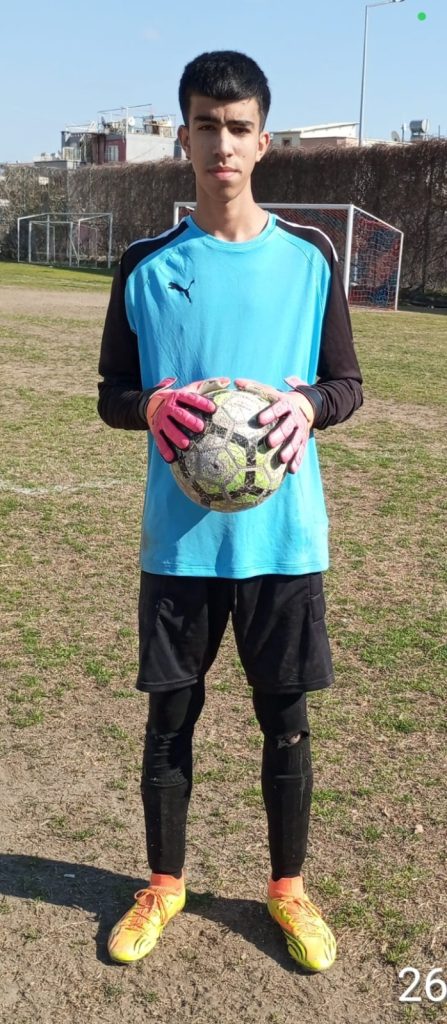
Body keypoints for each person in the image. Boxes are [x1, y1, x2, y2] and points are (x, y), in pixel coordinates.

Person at [97, 49, 363, 973]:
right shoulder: (144, 265)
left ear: (262, 141)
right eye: (206, 125)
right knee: (169, 719)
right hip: (179, 543)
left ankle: (287, 889)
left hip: (283, 540)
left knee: (284, 719)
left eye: (238, 126)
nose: (222, 143)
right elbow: (112, 391)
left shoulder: (308, 257)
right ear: (182, 136)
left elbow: (345, 383)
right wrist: (147, 406)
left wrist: (309, 406)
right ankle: (163, 885)